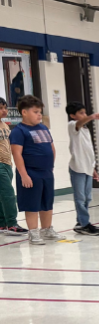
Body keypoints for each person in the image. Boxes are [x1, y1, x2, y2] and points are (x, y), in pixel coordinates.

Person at [10, 95, 62, 245]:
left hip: (46, 172)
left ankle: (47, 229)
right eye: (36, 112)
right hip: (30, 173)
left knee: (47, 202)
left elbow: (51, 147)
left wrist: (50, 166)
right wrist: (24, 175)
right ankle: (33, 233)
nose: (39, 115)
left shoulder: (43, 128)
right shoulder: (19, 131)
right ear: (24, 112)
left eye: (40, 112)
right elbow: (17, 154)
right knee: (32, 204)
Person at [66, 102, 99, 236]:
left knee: (88, 198)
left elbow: (88, 152)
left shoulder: (86, 130)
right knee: (80, 198)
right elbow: (79, 123)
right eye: (81, 113)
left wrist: (93, 168)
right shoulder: (72, 126)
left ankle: (80, 223)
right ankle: (84, 223)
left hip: (88, 168)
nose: (85, 115)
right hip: (77, 168)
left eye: (85, 112)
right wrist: (93, 116)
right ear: (72, 115)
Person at [0, 97, 27, 236]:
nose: (4, 111)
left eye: (5, 108)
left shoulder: (4, 125)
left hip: (7, 163)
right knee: (8, 194)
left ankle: (2, 223)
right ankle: (12, 223)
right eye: (0, 108)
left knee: (2, 195)